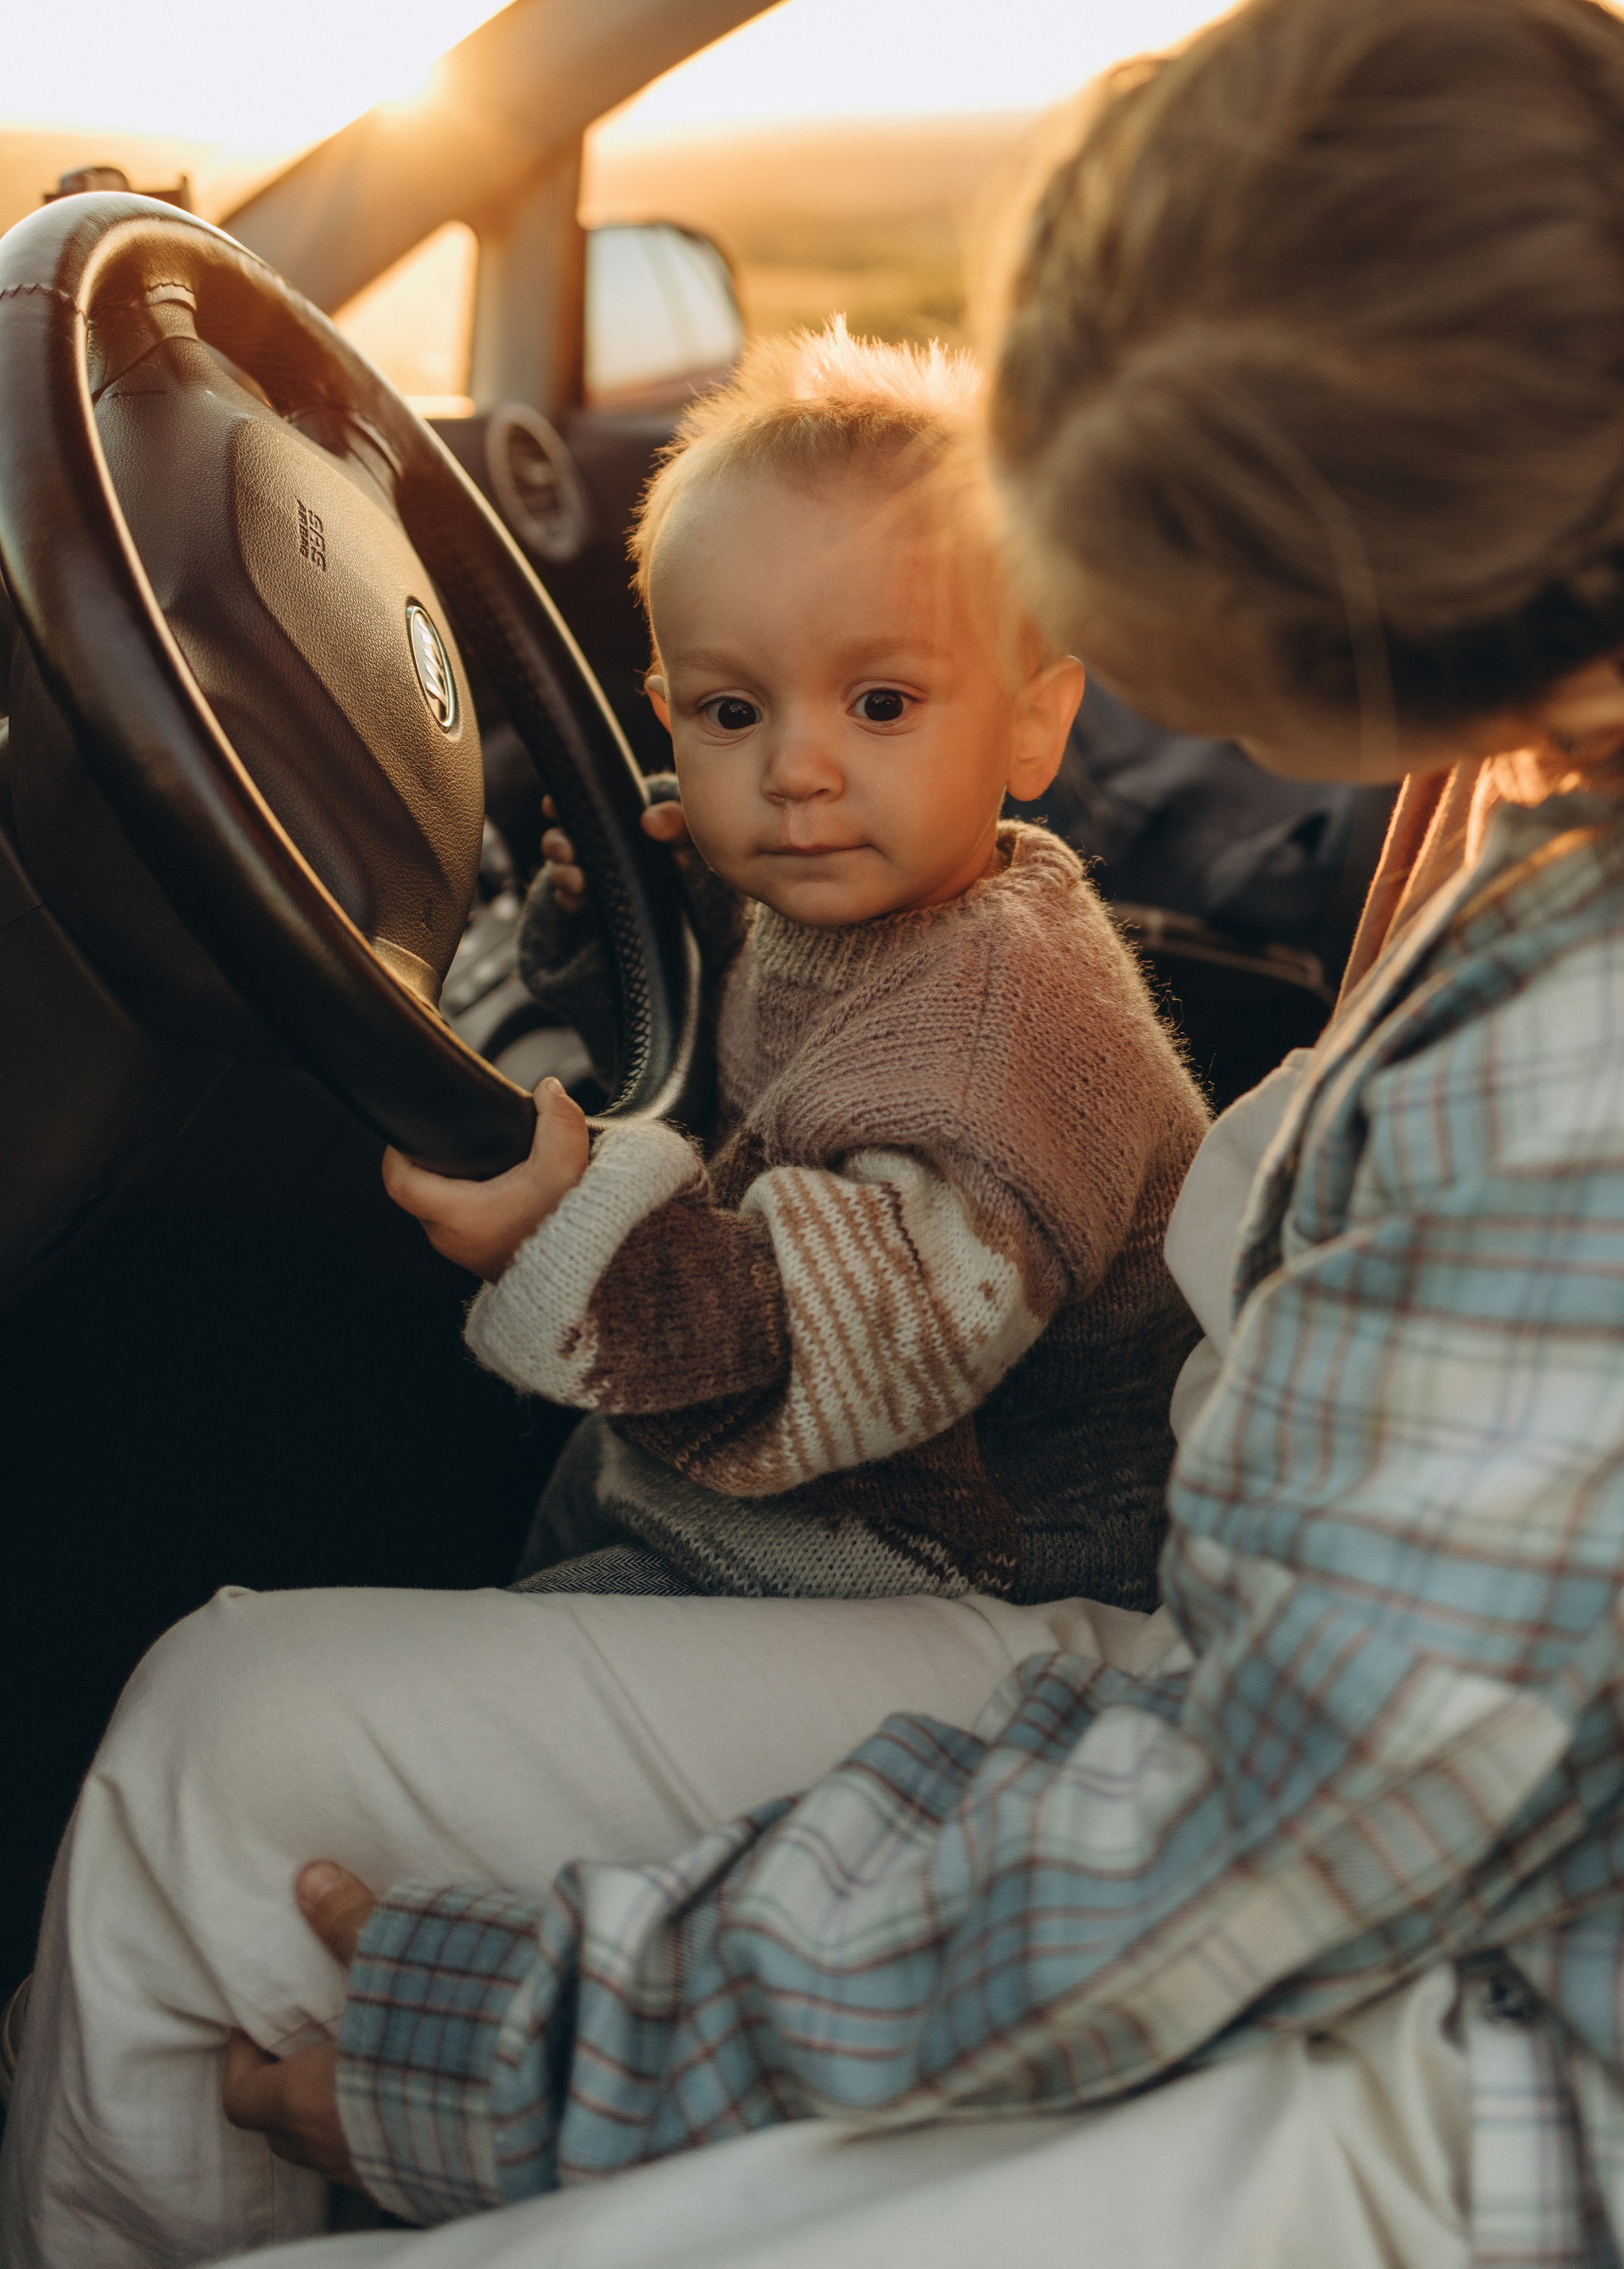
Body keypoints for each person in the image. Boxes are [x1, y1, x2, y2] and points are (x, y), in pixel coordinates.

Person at [10, 0, 1624, 2269]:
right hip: (1305, 1753)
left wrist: (529, 2055)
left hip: (1556, 2071)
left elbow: (1251, 1842)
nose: (1041, 497)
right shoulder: (1606, 795)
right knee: (224, 1747)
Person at [385, 327, 1205, 1611]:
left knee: (525, 1617)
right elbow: (711, 1038)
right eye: (734, 713)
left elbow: (846, 1353)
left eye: (881, 704)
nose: (796, 771)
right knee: (565, 1500)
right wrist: (634, 902)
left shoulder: (999, 1037)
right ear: (668, 713)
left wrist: (565, 1242)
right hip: (821, 1500)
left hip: (977, 1559)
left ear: (1033, 723)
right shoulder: (862, 891)